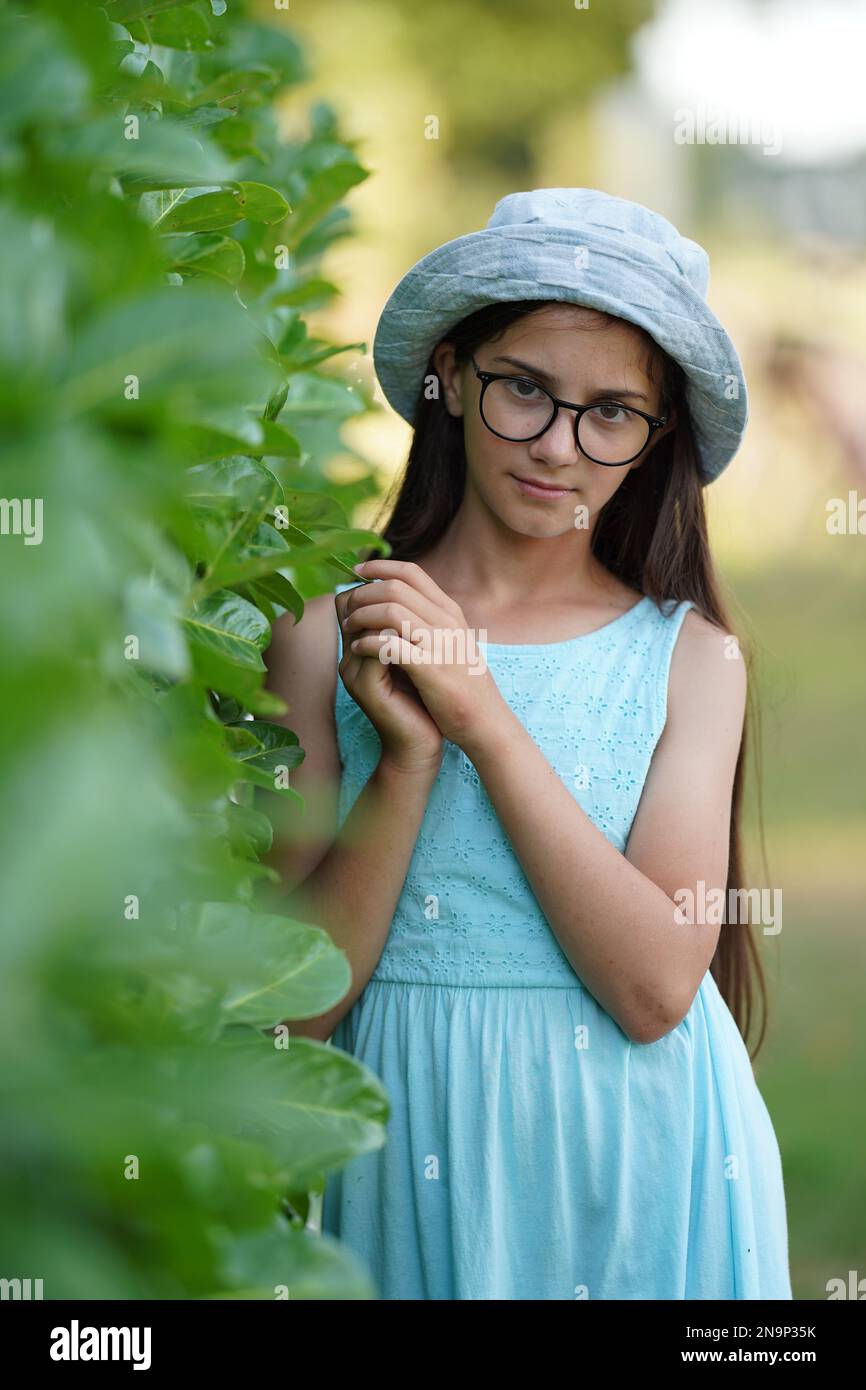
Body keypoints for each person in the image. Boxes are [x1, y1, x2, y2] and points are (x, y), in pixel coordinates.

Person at [263, 188, 793, 1300]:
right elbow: (291, 1004)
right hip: (409, 1139)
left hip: (634, 1151)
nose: (557, 445)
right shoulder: (322, 635)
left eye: (610, 413)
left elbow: (653, 986)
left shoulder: (689, 660)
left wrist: (481, 720)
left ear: (654, 442)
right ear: (449, 375)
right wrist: (404, 761)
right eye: (524, 391)